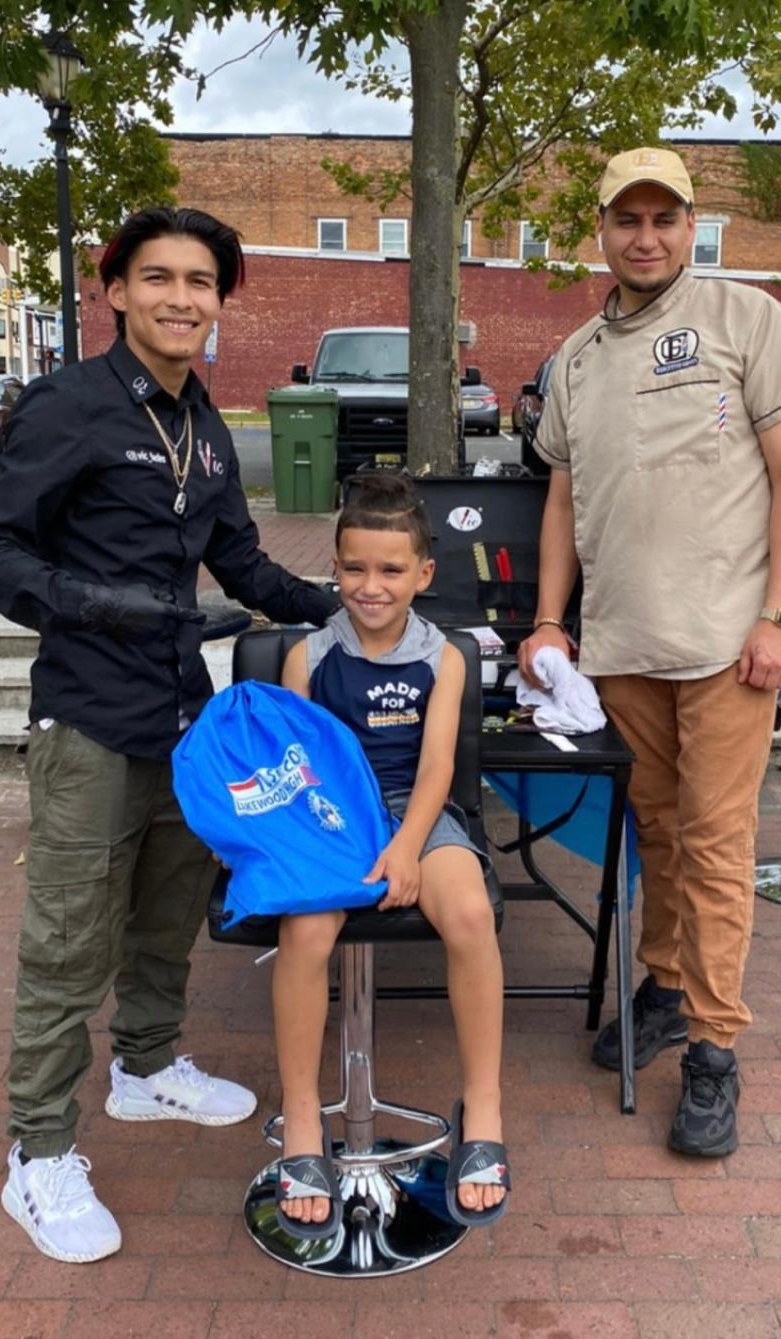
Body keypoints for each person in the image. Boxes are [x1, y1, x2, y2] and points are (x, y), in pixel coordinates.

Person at [0, 206, 337, 1263]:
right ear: (114, 289)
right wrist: (103, 604)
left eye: (202, 282)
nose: (181, 298)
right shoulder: (67, 404)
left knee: (170, 910)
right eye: (158, 277)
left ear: (222, 300)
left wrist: (350, 605)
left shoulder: (208, 423)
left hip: (184, 720)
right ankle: (37, 1152)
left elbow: (248, 568)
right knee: (69, 941)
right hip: (86, 713)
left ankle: (146, 1065)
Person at [518, 147, 781, 1157]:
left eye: (664, 218)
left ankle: (713, 1050)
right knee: (654, 829)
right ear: (600, 231)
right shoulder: (576, 358)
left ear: (691, 225)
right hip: (621, 650)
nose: (645, 237)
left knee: (716, 843)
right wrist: (552, 620)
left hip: (729, 648)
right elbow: (564, 496)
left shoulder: (748, 321)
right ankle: (664, 983)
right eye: (626, 219)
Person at [274, 473, 511, 1235]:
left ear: (424, 575)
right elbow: (299, 769)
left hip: (419, 811)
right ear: (334, 566)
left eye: (390, 570)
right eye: (353, 568)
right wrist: (345, 847)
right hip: (332, 817)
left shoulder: (444, 658)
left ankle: (483, 1109)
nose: (370, 586)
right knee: (306, 931)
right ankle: (305, 1120)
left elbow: (439, 769)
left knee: (471, 912)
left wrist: (407, 848)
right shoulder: (308, 657)